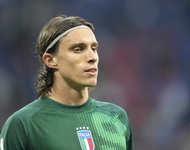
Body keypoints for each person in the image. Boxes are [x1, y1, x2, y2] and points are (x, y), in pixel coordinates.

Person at [0, 15, 134, 150]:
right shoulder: (23, 124)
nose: (92, 57)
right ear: (50, 60)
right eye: (78, 49)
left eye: (93, 49)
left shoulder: (116, 117)